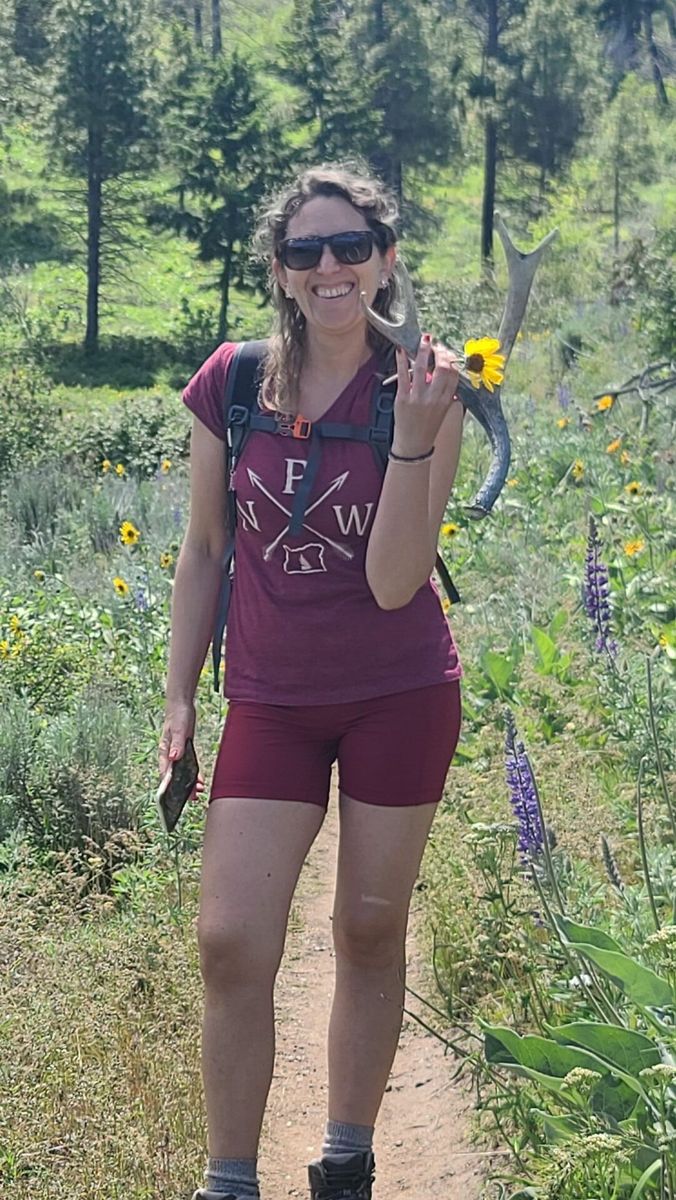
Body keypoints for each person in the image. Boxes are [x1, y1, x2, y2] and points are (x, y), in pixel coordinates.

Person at [159, 162, 465, 1200]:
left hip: (399, 692)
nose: (329, 267)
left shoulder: (427, 386)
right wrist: (180, 696)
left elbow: (393, 583)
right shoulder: (234, 382)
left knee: (368, 926)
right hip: (270, 699)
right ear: (281, 271)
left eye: (350, 247)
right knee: (230, 940)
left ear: (385, 260)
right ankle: (229, 1180)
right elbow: (206, 548)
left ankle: (345, 1159)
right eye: (304, 250)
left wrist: (413, 439)